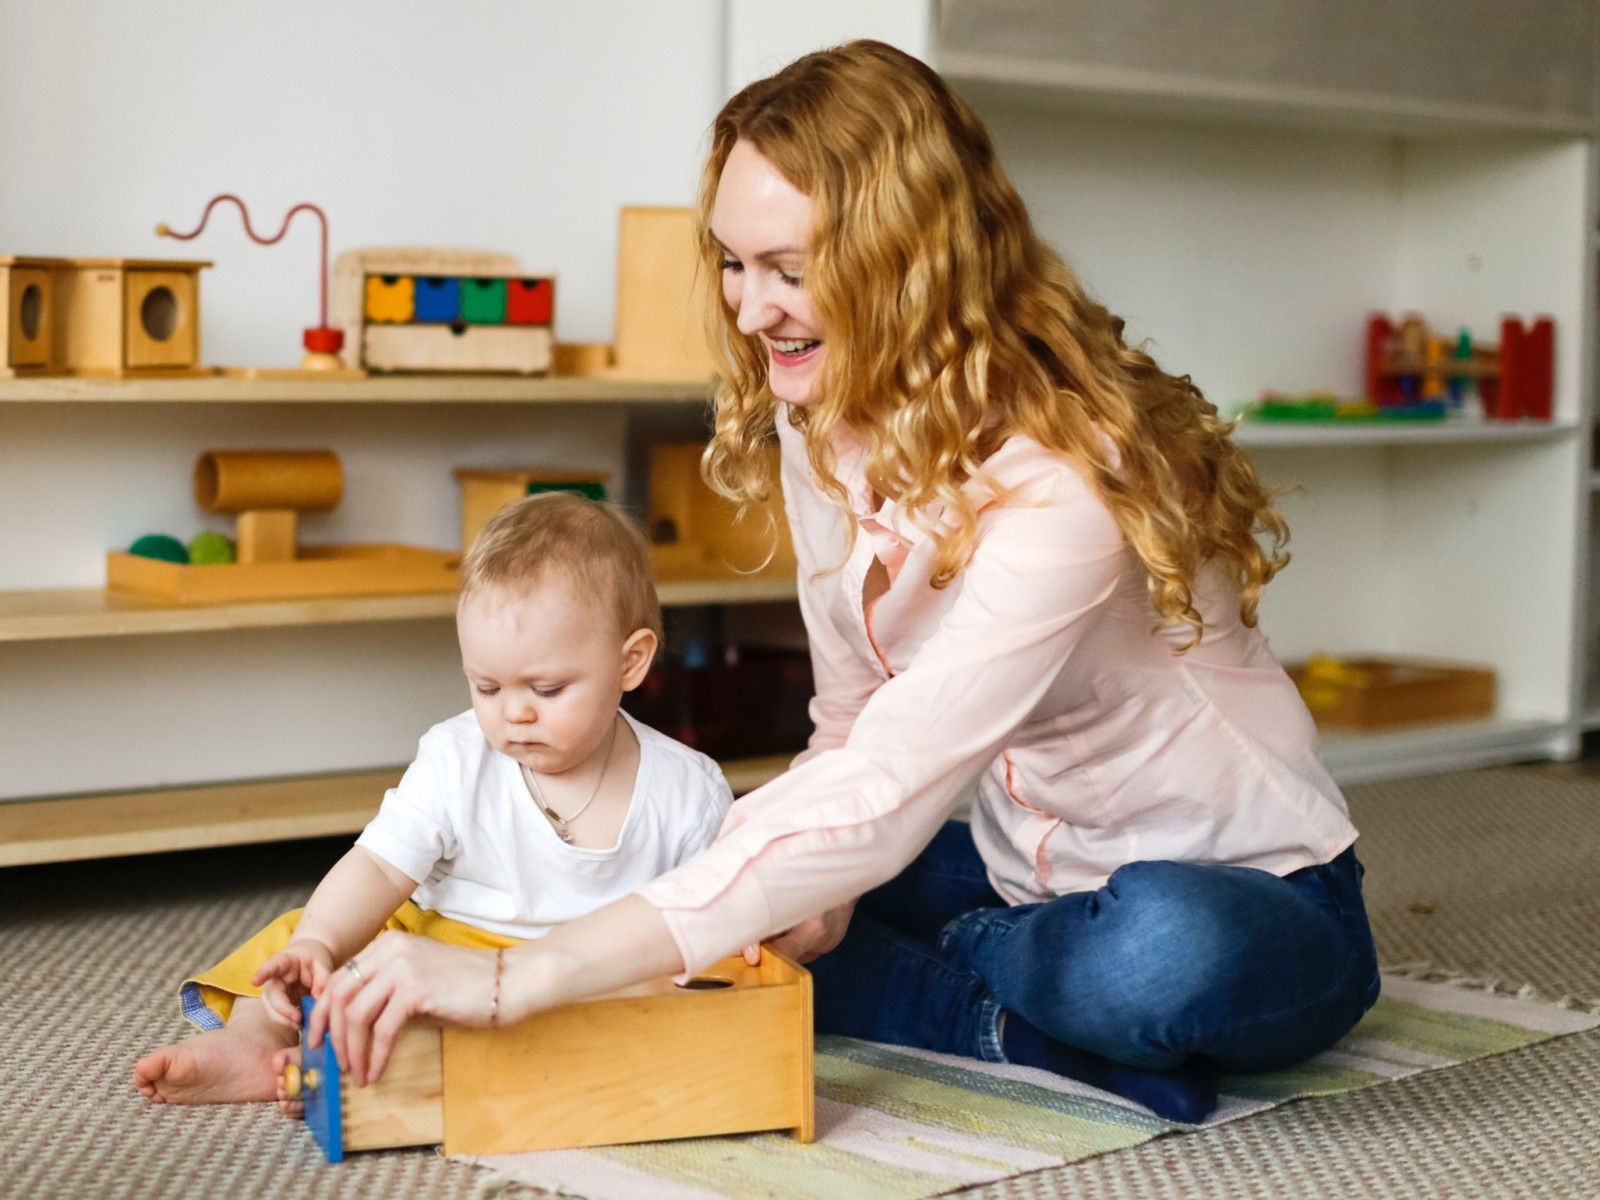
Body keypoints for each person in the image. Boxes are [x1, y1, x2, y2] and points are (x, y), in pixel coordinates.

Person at [308, 39, 1379, 1125]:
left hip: (1251, 897)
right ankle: (1003, 1019)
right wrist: (805, 882)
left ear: (907, 261)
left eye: (787, 269)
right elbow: (854, 724)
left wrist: (517, 979)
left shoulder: (1065, 479)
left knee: (1157, 951)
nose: (747, 308)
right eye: (732, 263)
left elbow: (890, 783)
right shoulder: (816, 420)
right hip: (1026, 880)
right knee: (727, 859)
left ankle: (962, 980)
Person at [133, 492, 734, 1106]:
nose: (515, 712)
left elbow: (710, 924)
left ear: (631, 662)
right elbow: (378, 865)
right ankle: (257, 1041)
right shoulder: (456, 757)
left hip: (594, 976)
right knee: (317, 941)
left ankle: (355, 1055)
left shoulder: (687, 789)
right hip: (443, 953)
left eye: (547, 688)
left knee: (669, 995)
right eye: (487, 686)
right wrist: (318, 942)